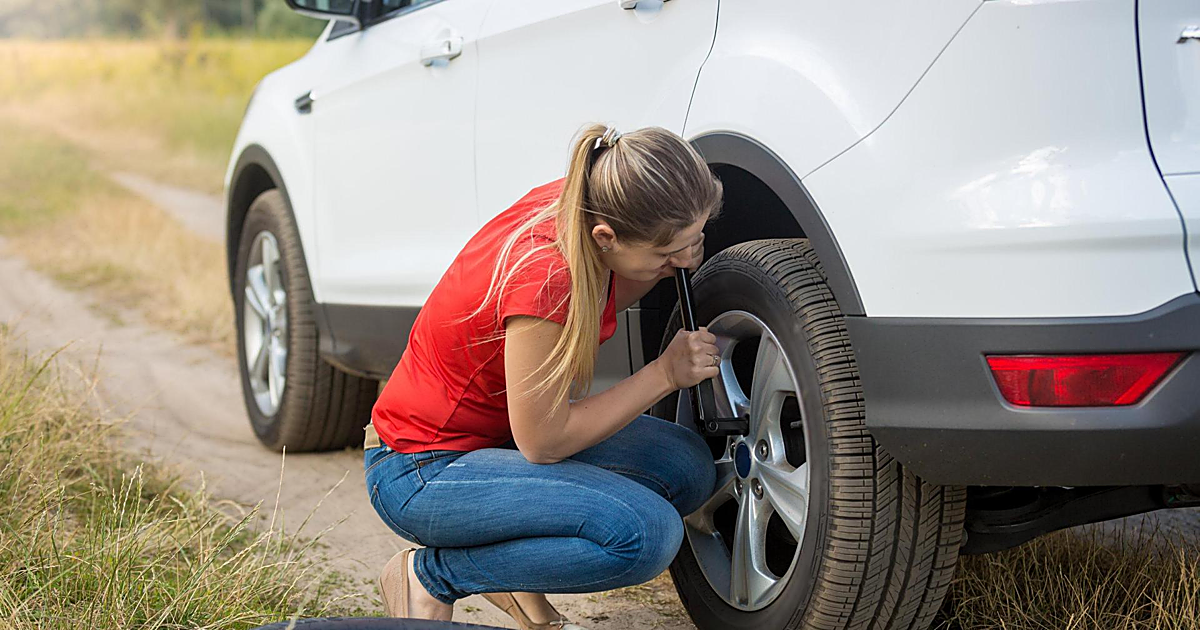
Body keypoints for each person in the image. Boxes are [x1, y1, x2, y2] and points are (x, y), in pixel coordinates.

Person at [363, 123, 724, 629]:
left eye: (694, 242)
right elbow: (545, 442)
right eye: (669, 254)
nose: (685, 260)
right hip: (420, 467)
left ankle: (512, 569)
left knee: (686, 467)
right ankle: (432, 575)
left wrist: (664, 259)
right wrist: (665, 373)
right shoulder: (547, 277)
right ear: (607, 237)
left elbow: (607, 293)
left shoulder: (587, 201)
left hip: (495, 438)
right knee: (646, 534)